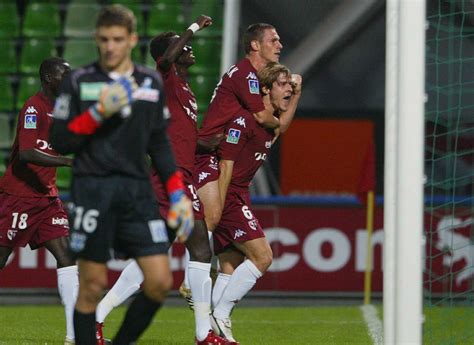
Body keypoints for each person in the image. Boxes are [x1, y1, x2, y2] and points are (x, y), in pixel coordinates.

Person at [50, 5, 193, 344]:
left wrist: (177, 193)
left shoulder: (149, 83)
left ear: (130, 39)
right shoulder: (79, 81)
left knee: (159, 282)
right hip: (93, 191)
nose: (110, 46)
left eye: (117, 39)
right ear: (96, 39)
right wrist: (99, 112)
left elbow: (160, 143)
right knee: (93, 285)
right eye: (103, 39)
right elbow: (60, 140)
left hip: (136, 192)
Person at [94, 15, 228, 345]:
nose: (190, 48)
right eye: (183, 45)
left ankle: (95, 318)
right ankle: (203, 334)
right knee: (199, 247)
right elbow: (165, 58)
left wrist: (210, 143)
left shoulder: (184, 89)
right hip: (171, 180)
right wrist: (193, 26)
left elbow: (180, 136)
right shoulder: (164, 78)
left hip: (181, 176)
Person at [209, 63, 302, 344]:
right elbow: (225, 167)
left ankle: (209, 332)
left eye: (290, 85)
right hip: (227, 195)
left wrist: (297, 92)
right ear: (264, 88)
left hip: (238, 195)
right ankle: (220, 316)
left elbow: (281, 125)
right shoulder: (243, 121)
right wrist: (218, 207)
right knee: (263, 257)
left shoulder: (269, 122)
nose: (288, 89)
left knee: (230, 263)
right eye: (282, 84)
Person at [0, 57, 78, 345]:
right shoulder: (33, 107)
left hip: (47, 198)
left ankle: (75, 334)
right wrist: (69, 162)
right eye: (64, 74)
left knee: (67, 257)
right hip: (19, 196)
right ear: (48, 78)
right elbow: (27, 153)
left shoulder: (63, 109)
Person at [195, 23, 301, 234]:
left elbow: (277, 127)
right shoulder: (246, 74)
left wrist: (295, 97)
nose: (279, 45)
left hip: (220, 157)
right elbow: (263, 117)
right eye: (273, 40)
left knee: (222, 244)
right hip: (206, 156)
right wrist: (278, 124)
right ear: (255, 44)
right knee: (211, 220)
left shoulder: (253, 77)